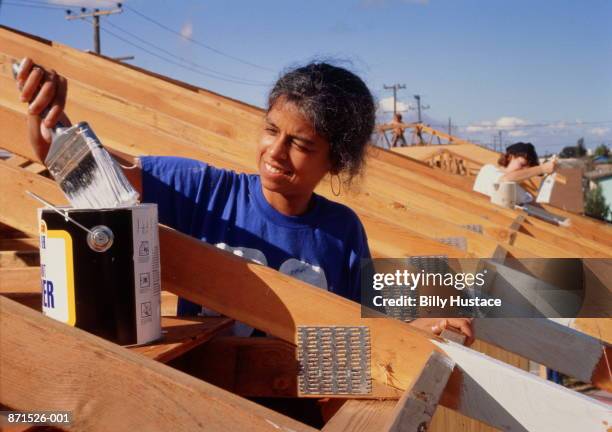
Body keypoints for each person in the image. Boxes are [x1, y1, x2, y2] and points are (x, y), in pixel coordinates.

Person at [16, 57, 474, 343]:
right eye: (271, 130)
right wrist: (47, 135)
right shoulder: (202, 191)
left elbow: (369, 323)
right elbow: (94, 178)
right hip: (211, 394)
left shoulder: (342, 229)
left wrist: (432, 319)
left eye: (301, 144)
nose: (275, 152)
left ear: (335, 162)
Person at [473, 142, 557, 204]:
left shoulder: (519, 190)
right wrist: (541, 169)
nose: (524, 170)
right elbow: (505, 180)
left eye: (528, 169)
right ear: (510, 157)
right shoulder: (488, 169)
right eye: (522, 164)